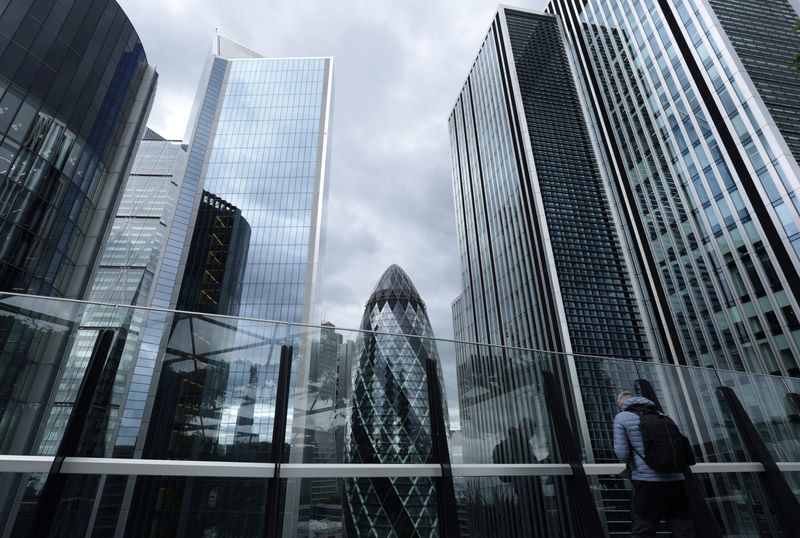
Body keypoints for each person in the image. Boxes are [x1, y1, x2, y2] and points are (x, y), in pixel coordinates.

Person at [613, 391, 696, 537]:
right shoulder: (663, 416)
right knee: (682, 529)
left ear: (622, 404)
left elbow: (622, 454)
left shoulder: (622, 417)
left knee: (643, 530)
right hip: (676, 481)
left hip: (647, 483)